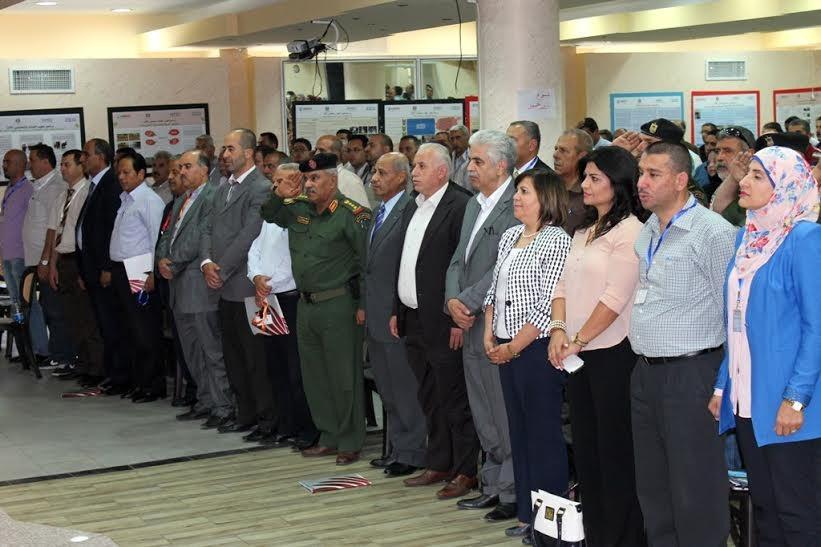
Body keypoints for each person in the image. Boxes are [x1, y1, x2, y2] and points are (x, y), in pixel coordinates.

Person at [709, 146, 821, 546]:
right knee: (766, 510)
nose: (744, 181)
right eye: (748, 173)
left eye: (758, 176)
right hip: (748, 399)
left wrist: (796, 399)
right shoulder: (749, 236)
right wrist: (723, 384)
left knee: (798, 515)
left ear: (786, 186)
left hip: (787, 404)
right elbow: (736, 322)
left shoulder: (804, 238)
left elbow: (816, 327)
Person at [629, 141, 736, 547]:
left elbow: (732, 313)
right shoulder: (649, 228)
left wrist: (723, 383)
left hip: (692, 374)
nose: (642, 182)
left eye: (653, 174)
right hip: (646, 372)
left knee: (695, 487)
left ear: (680, 180)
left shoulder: (712, 232)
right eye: (641, 173)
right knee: (654, 486)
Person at [547, 146, 646, 546]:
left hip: (612, 355)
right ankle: (598, 534)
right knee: (588, 451)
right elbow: (560, 285)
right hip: (578, 354)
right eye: (585, 177)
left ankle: (623, 537)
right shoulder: (584, 230)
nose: (584, 185)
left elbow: (615, 298)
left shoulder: (631, 231)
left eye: (594, 178)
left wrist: (578, 339)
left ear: (617, 184)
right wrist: (558, 331)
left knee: (615, 452)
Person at [260, 153, 370, 464]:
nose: (308, 184)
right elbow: (269, 214)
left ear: (332, 181)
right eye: (306, 179)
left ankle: (350, 440)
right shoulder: (299, 210)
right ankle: (329, 435)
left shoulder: (352, 215)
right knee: (315, 376)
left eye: (315, 178)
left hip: (339, 304)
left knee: (343, 377)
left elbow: (367, 264)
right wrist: (279, 193)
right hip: (306, 305)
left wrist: (363, 305)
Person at [482, 169, 571, 540]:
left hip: (535, 350)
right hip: (505, 346)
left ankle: (551, 526)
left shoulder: (557, 239)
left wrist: (514, 346)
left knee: (543, 437)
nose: (516, 198)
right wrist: (489, 334)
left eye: (524, 192)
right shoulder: (510, 235)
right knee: (518, 433)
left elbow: (548, 302)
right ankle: (526, 513)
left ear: (545, 197)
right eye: (516, 191)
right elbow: (493, 290)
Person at [390, 143, 479, 499]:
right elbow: (406, 260)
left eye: (421, 166)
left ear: (442, 171)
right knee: (429, 395)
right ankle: (440, 461)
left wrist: (459, 318)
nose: (414, 172)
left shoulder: (460, 205)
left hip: (444, 320)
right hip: (413, 316)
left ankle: (465, 470)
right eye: (414, 166)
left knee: (454, 396)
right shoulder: (414, 204)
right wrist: (398, 309)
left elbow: (464, 265)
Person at [445, 130, 520, 520]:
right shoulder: (474, 205)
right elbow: (457, 259)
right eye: (470, 160)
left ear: (501, 165)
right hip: (470, 320)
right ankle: (490, 485)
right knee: (482, 411)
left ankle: (511, 491)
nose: (469, 168)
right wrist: (451, 301)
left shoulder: (516, 204)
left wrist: (467, 301)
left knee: (502, 412)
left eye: (477, 161)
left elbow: (504, 267)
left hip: (495, 321)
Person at [200, 129, 275, 433]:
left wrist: (221, 269)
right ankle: (245, 414)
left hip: (250, 287)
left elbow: (250, 234)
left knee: (258, 357)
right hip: (223, 288)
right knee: (234, 356)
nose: (224, 154)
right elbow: (207, 227)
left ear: (248, 153)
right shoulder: (222, 188)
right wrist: (206, 262)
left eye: (231, 148)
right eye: (224, 148)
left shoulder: (262, 187)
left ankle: (267, 419)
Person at [158, 149, 234, 423]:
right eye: (180, 167)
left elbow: (200, 236)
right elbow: (167, 234)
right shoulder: (181, 199)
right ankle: (205, 400)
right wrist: (161, 258)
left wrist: (173, 262)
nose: (181, 172)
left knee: (210, 349)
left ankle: (223, 405)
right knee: (191, 350)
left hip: (198, 285)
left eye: (187, 167)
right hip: (179, 285)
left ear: (204, 169)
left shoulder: (212, 196)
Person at [247, 163, 318, 448]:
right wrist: (256, 277)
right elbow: (255, 248)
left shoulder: (300, 212)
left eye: (281, 181)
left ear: (297, 182)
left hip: (288, 298)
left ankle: (305, 427)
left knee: (295, 368)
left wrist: (269, 283)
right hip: (265, 299)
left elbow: (293, 259)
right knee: (273, 365)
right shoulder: (271, 213)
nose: (275, 186)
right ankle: (284, 423)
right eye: (273, 181)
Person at [365, 152, 427, 477]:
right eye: (374, 172)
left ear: (401, 178)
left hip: (394, 315)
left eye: (382, 173)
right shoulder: (378, 211)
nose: (375, 179)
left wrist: (395, 310)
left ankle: (412, 452)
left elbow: (407, 267)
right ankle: (396, 447)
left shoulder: (409, 211)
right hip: (374, 314)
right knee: (387, 388)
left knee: (404, 389)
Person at [108, 151, 166, 401]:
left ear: (141, 174)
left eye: (127, 172)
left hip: (140, 269)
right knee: (129, 327)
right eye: (119, 173)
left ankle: (153, 385)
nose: (121, 177)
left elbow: (156, 239)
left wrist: (152, 273)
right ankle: (139, 381)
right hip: (122, 269)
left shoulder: (149, 200)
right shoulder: (126, 200)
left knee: (145, 328)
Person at [47, 150, 105, 384]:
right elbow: (55, 234)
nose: (62, 168)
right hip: (63, 261)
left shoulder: (88, 193)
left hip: (78, 261)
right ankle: (82, 364)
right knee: (72, 318)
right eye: (61, 164)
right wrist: (52, 265)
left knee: (87, 318)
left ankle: (96, 368)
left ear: (81, 166)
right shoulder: (63, 196)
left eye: (67, 164)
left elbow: (87, 235)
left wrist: (85, 268)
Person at [75, 139, 127, 393]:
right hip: (92, 269)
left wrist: (107, 267)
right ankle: (111, 373)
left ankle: (120, 376)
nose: (82, 159)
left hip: (106, 270)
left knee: (113, 325)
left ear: (101, 157)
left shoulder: (111, 184)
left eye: (86, 154)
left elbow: (111, 230)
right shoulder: (95, 184)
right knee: (103, 325)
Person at [24, 144, 69, 364]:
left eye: (32, 160)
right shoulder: (37, 186)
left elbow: (54, 230)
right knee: (48, 308)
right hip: (36, 260)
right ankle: (56, 353)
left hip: (49, 260)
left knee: (56, 310)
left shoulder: (56, 187)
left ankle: (63, 356)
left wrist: (46, 260)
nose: (29, 164)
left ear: (45, 162)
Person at [0, 150, 33, 311]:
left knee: (26, 302)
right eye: (4, 162)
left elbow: (32, 223)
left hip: (20, 255)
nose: (4, 166)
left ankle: (33, 329)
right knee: (14, 302)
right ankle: (20, 328)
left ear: (20, 165)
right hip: (7, 254)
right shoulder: (10, 188)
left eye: (8, 162)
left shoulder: (28, 189)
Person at [710, 125, 757, 227]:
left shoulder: (760, 185)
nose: (719, 157)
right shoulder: (716, 182)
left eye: (728, 151)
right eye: (717, 151)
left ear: (749, 154)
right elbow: (715, 215)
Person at [313, 134, 371, 207]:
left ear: (336, 154)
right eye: (316, 150)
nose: (316, 154)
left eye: (322, 150)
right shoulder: (314, 179)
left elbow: (363, 212)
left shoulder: (350, 180)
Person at [552, 128, 592, 235]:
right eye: (556, 149)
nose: (555, 155)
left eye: (563, 150)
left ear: (581, 156)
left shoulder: (589, 193)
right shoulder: (546, 187)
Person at [449, 125, 472, 192]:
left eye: (458, 138)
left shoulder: (473, 157)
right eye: (452, 139)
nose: (455, 142)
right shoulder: (449, 157)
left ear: (467, 138)